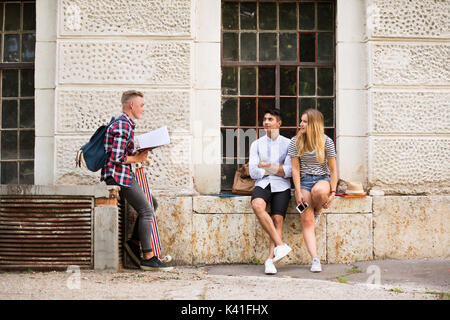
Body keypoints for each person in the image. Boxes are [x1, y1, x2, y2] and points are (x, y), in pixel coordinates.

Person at [101, 90, 172, 271]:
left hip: (122, 174)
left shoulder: (125, 124)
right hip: (118, 175)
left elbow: (119, 154)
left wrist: (136, 154)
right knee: (147, 210)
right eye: (141, 105)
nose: (143, 109)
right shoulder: (123, 125)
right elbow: (116, 158)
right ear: (131, 105)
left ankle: (133, 242)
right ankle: (148, 256)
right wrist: (137, 159)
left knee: (151, 204)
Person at [288, 109, 337, 273]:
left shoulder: (326, 142)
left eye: (305, 121)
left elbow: (333, 170)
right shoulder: (295, 141)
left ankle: (318, 210)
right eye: (301, 121)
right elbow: (295, 169)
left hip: (322, 180)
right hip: (303, 182)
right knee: (306, 220)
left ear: (314, 124)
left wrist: (333, 192)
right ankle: (315, 259)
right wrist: (297, 191)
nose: (301, 124)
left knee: (319, 192)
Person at [249, 109, 293, 275]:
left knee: (277, 220)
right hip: (263, 183)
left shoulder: (288, 144)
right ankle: (281, 246)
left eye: (270, 119)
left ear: (279, 123)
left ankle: (270, 260)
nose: (266, 122)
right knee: (257, 205)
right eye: (265, 119)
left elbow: (288, 171)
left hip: (282, 186)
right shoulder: (256, 144)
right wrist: (275, 169)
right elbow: (254, 172)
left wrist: (266, 166)